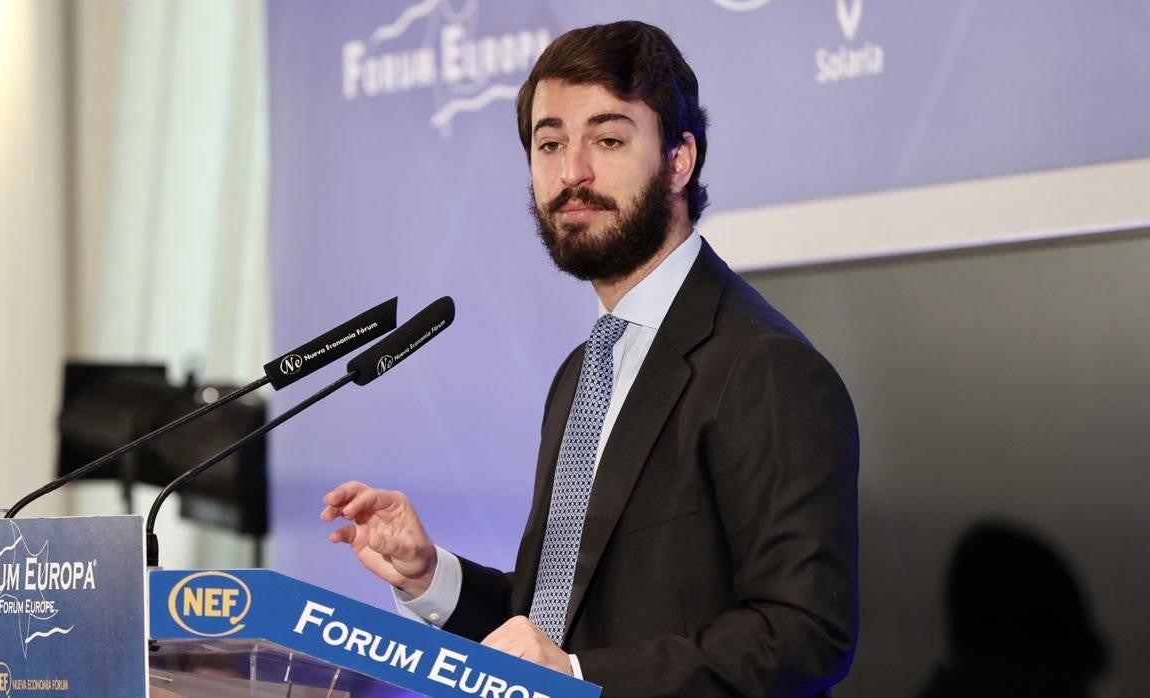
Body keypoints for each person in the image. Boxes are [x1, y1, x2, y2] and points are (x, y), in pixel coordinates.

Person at [321, 20, 859, 697]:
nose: (572, 173)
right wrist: (432, 577)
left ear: (678, 160)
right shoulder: (583, 371)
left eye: (607, 140)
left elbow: (805, 634)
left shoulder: (765, 367)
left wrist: (581, 678)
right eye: (550, 144)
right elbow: (556, 624)